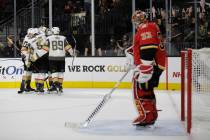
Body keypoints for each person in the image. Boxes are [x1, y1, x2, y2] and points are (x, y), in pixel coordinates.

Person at [125, 10, 166, 127]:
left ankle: (146, 115)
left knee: (139, 90)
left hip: (151, 65)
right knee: (147, 90)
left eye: (136, 20)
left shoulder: (146, 27)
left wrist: (145, 68)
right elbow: (141, 46)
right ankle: (151, 115)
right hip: (155, 65)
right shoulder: (151, 26)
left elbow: (149, 48)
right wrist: (132, 57)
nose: (135, 23)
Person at [45, 27, 74, 93]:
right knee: (61, 72)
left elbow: (45, 48)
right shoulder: (63, 38)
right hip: (61, 58)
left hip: (52, 58)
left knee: (54, 73)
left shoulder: (49, 38)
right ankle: (60, 86)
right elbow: (68, 47)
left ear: (52, 32)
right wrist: (72, 53)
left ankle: (56, 85)